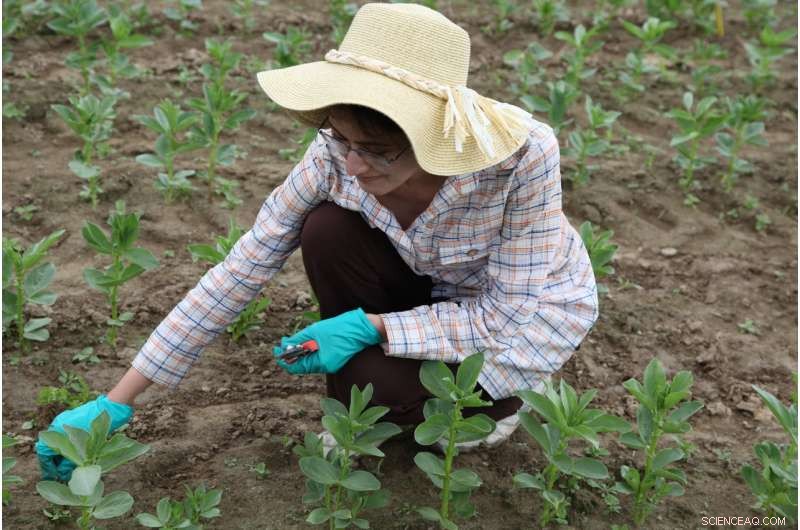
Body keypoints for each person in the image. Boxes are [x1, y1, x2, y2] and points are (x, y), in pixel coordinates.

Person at [36, 2, 599, 479]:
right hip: (429, 286)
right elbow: (241, 268)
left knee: (371, 386)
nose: (352, 164)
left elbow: (506, 313)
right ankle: (377, 387)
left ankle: (498, 405)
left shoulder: (520, 158)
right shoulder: (335, 153)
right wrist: (118, 400)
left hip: (520, 316)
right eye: (341, 138)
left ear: (431, 138)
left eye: (375, 150)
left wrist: (371, 327)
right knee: (328, 228)